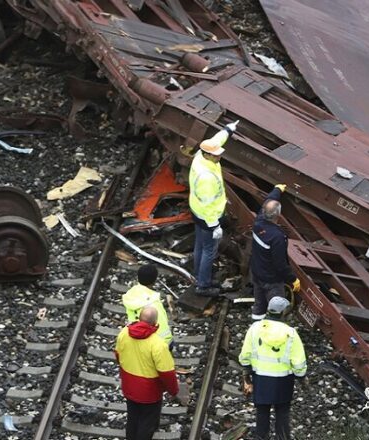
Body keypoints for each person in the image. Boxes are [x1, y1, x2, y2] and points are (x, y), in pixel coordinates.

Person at [239, 297, 307, 440]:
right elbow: (299, 362)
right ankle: (282, 437)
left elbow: (245, 354)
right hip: (284, 380)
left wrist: (246, 372)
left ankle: (261, 436)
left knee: (262, 411)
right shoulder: (291, 333)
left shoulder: (255, 328)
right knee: (282, 412)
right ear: (283, 312)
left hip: (261, 379)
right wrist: (301, 377)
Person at [115, 306, 180, 440]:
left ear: (139, 318)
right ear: (156, 323)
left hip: (129, 386)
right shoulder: (158, 345)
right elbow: (167, 373)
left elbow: (118, 355)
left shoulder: (124, 333)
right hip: (149, 392)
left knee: (133, 418)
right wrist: (173, 391)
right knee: (147, 422)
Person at [189, 121, 238, 297]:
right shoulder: (206, 177)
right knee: (209, 250)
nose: (219, 157)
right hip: (208, 217)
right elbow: (208, 204)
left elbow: (216, 140)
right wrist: (215, 226)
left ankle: (198, 274)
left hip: (197, 213)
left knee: (200, 246)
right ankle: (203, 285)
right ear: (208, 155)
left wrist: (228, 130)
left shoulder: (201, 157)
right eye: (216, 155)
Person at [249, 183, 300, 320]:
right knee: (276, 309)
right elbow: (280, 264)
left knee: (259, 304)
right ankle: (272, 332)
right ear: (278, 215)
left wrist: (277, 190)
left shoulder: (258, 222)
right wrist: (292, 279)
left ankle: (256, 324)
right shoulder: (277, 237)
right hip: (271, 280)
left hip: (257, 272)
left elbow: (267, 202)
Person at [122, 264, 172, 346]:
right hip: (154, 344)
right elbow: (163, 329)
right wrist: (168, 342)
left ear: (138, 278)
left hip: (136, 336)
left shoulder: (131, 295)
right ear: (154, 281)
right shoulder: (153, 304)